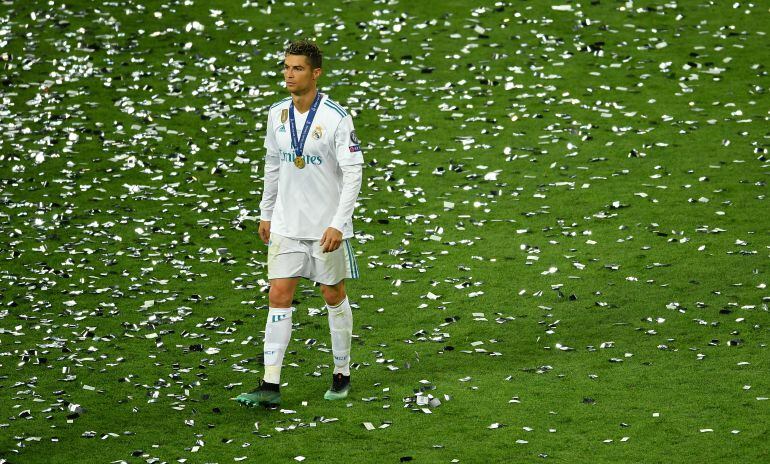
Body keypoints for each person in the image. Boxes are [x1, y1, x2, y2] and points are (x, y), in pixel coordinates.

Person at [235, 39, 364, 408]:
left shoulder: (336, 118)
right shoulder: (276, 114)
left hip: (325, 229)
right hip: (287, 225)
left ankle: (342, 372)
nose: (289, 75)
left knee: (332, 294)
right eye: (286, 68)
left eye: (298, 69)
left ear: (315, 73)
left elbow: (353, 172)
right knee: (278, 294)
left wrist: (339, 224)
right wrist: (266, 212)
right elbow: (272, 164)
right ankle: (270, 384)